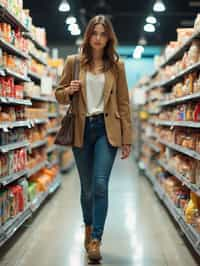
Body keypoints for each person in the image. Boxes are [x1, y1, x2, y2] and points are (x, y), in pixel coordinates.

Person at [55, 14, 132, 262]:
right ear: (88, 35)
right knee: (87, 189)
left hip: (106, 130)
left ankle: (96, 239)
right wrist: (68, 91)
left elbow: (123, 103)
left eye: (103, 34)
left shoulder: (117, 67)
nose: (98, 38)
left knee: (100, 185)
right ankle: (88, 228)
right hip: (81, 129)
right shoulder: (73, 62)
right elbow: (58, 94)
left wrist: (127, 138)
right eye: (94, 33)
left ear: (109, 37)